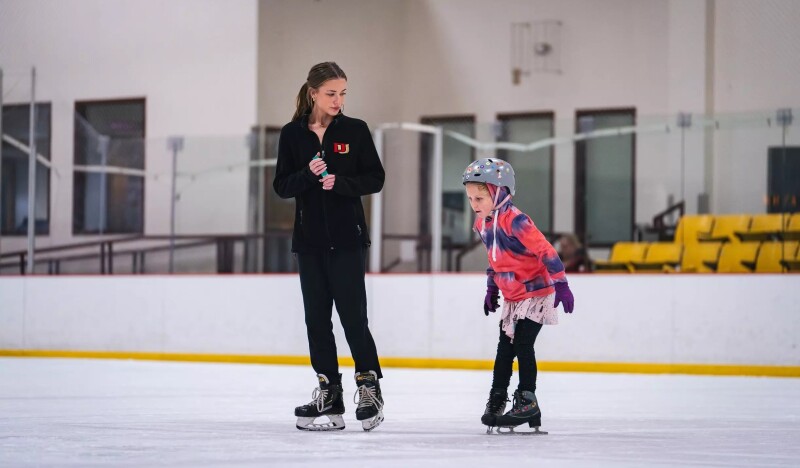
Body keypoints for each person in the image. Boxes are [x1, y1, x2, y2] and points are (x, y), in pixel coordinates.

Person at [273, 62, 386, 432]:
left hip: (348, 240)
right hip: (309, 244)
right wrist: (308, 174)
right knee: (317, 320)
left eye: (343, 93)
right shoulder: (292, 134)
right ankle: (329, 393)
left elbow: (375, 178)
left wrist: (341, 183)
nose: (338, 100)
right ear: (313, 93)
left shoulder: (355, 130)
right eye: (331, 93)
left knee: (353, 317)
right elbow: (281, 186)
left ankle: (369, 388)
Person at [462, 157, 575, 433]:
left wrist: (561, 283)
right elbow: (494, 258)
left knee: (523, 344)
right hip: (513, 297)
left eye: (480, 198)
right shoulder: (483, 224)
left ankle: (527, 400)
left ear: (499, 192)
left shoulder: (516, 221)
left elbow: (546, 251)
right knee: (504, 350)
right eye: (471, 199)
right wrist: (492, 287)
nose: (474, 205)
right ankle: (497, 398)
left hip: (536, 292)